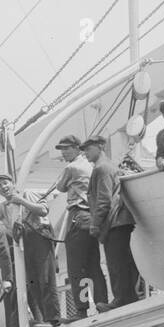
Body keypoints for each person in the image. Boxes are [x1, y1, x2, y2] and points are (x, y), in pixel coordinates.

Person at [45, 134, 106, 317]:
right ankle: (102, 302)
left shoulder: (72, 167)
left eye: (66, 148)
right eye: (62, 149)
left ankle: (81, 309)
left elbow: (61, 187)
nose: (63, 152)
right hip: (91, 217)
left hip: (77, 216)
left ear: (76, 148)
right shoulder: (91, 165)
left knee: (75, 267)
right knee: (93, 264)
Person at [0, 174, 58, 327]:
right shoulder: (5, 207)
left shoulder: (27, 193)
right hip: (23, 244)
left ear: (13, 183)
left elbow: (43, 210)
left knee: (46, 279)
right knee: (33, 283)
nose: (3, 187)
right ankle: (46, 319)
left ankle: (54, 318)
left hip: (39, 238)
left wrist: (20, 201)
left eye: (5, 183)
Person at [82, 136, 139, 310]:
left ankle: (121, 300)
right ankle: (129, 298)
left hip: (114, 222)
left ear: (100, 147)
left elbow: (104, 200)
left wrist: (95, 224)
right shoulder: (109, 166)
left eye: (88, 149)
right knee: (123, 262)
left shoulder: (101, 168)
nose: (85, 153)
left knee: (116, 263)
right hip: (120, 221)